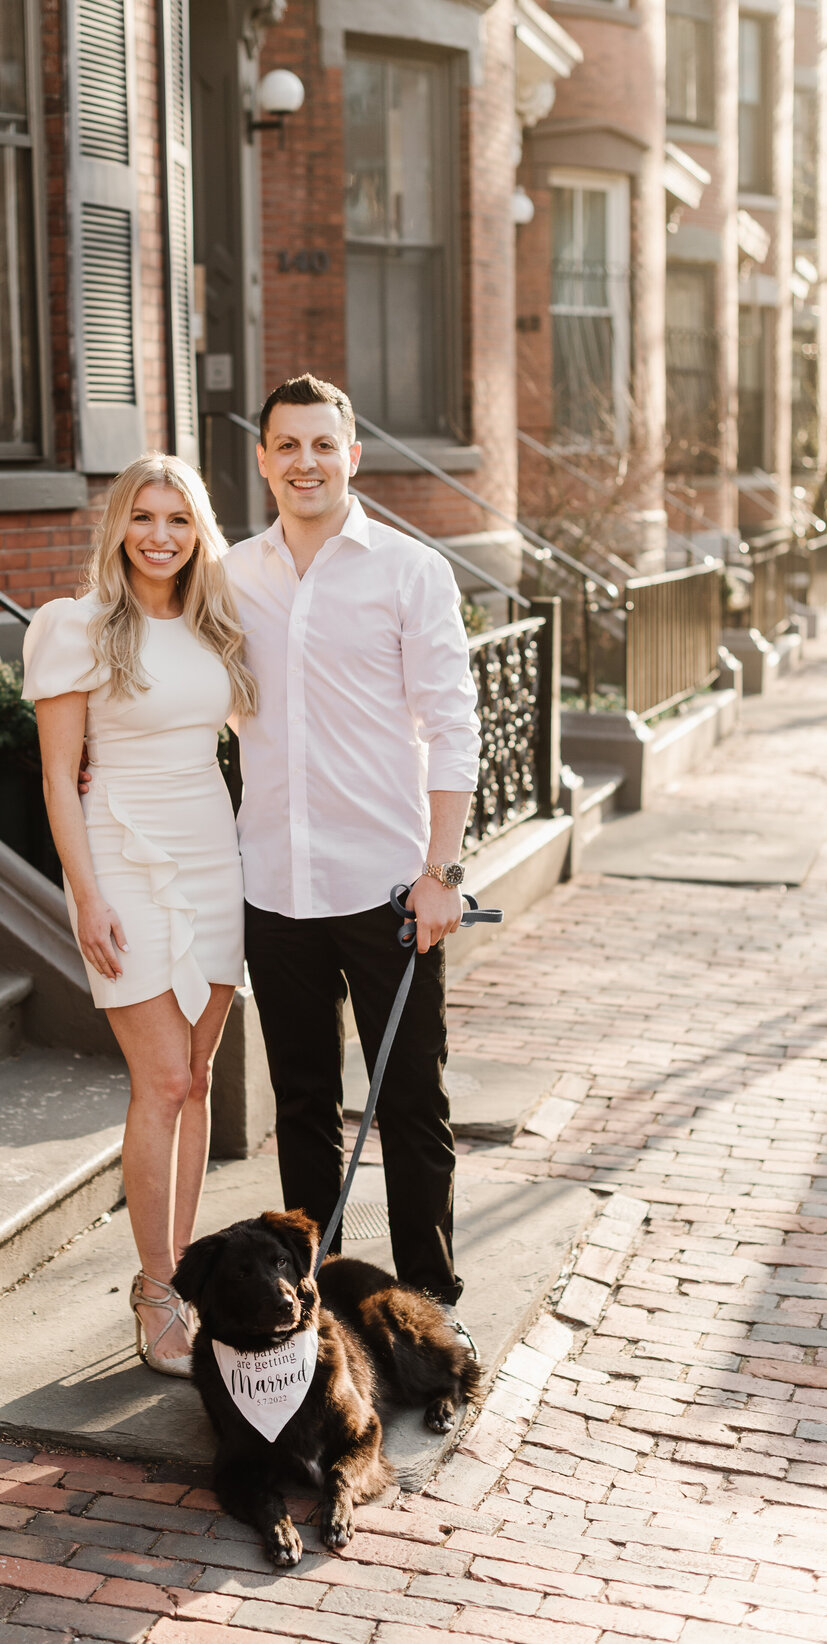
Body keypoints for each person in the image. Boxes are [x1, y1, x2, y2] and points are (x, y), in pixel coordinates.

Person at [224, 373, 481, 1313]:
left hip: (388, 892)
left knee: (412, 1107)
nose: (306, 462)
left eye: (323, 444)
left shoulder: (412, 572)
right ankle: (316, 1305)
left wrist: (442, 873)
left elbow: (454, 725)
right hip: (277, 890)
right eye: (287, 445)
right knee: (301, 1110)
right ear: (262, 460)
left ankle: (429, 1308)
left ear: (353, 456)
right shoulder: (232, 575)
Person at [23, 454, 256, 1376]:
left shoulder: (219, 625)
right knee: (159, 1082)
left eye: (180, 520)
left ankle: (186, 1279)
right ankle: (154, 1287)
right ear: (118, 524)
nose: (161, 536)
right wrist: (87, 895)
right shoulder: (76, 627)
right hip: (122, 856)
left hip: (212, 855)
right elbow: (56, 775)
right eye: (143, 517)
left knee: (197, 1082)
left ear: (201, 532)